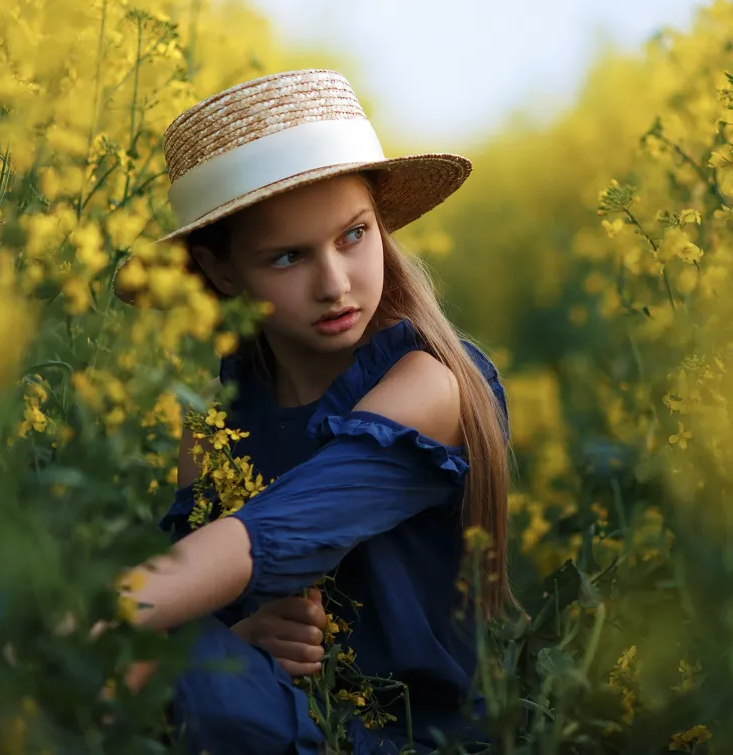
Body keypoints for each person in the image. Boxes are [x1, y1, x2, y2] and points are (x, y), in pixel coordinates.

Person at [114, 69, 514, 754]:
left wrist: (87, 624)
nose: (334, 285)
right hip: (277, 720)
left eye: (353, 236)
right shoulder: (213, 428)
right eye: (289, 256)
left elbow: (274, 532)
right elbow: (207, 611)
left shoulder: (431, 385)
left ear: (380, 223)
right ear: (223, 272)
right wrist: (243, 640)